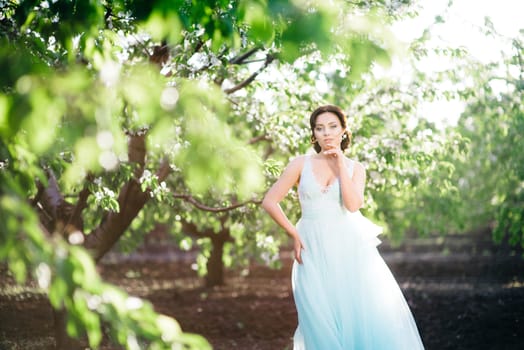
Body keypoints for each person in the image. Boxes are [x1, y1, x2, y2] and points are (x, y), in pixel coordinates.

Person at [262, 105, 424, 349]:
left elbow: (352, 205)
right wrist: (294, 233)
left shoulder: (356, 168)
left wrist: (339, 165)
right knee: (317, 319)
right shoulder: (300, 164)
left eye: (332, 126)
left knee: (356, 317)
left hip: (349, 251)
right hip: (311, 248)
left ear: (343, 131)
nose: (326, 133)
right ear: (313, 134)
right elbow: (270, 201)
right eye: (319, 128)